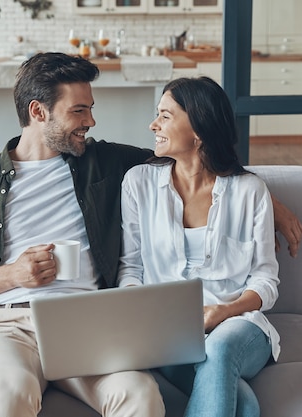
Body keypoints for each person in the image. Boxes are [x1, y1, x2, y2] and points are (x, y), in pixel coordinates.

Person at [0, 53, 300, 416]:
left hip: (89, 324)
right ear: (38, 112)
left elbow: (199, 162)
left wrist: (271, 198)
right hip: (6, 324)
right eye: (78, 111)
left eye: (90, 108)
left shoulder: (103, 163)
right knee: (11, 396)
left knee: (139, 395)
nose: (91, 121)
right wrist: (14, 274)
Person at [117, 76, 281, 417]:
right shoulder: (138, 184)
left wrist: (223, 312)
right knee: (246, 408)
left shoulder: (250, 191)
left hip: (239, 325)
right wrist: (141, 313)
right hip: (167, 332)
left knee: (219, 348)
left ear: (199, 129)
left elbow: (265, 280)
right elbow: (130, 267)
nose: (153, 124)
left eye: (165, 115)